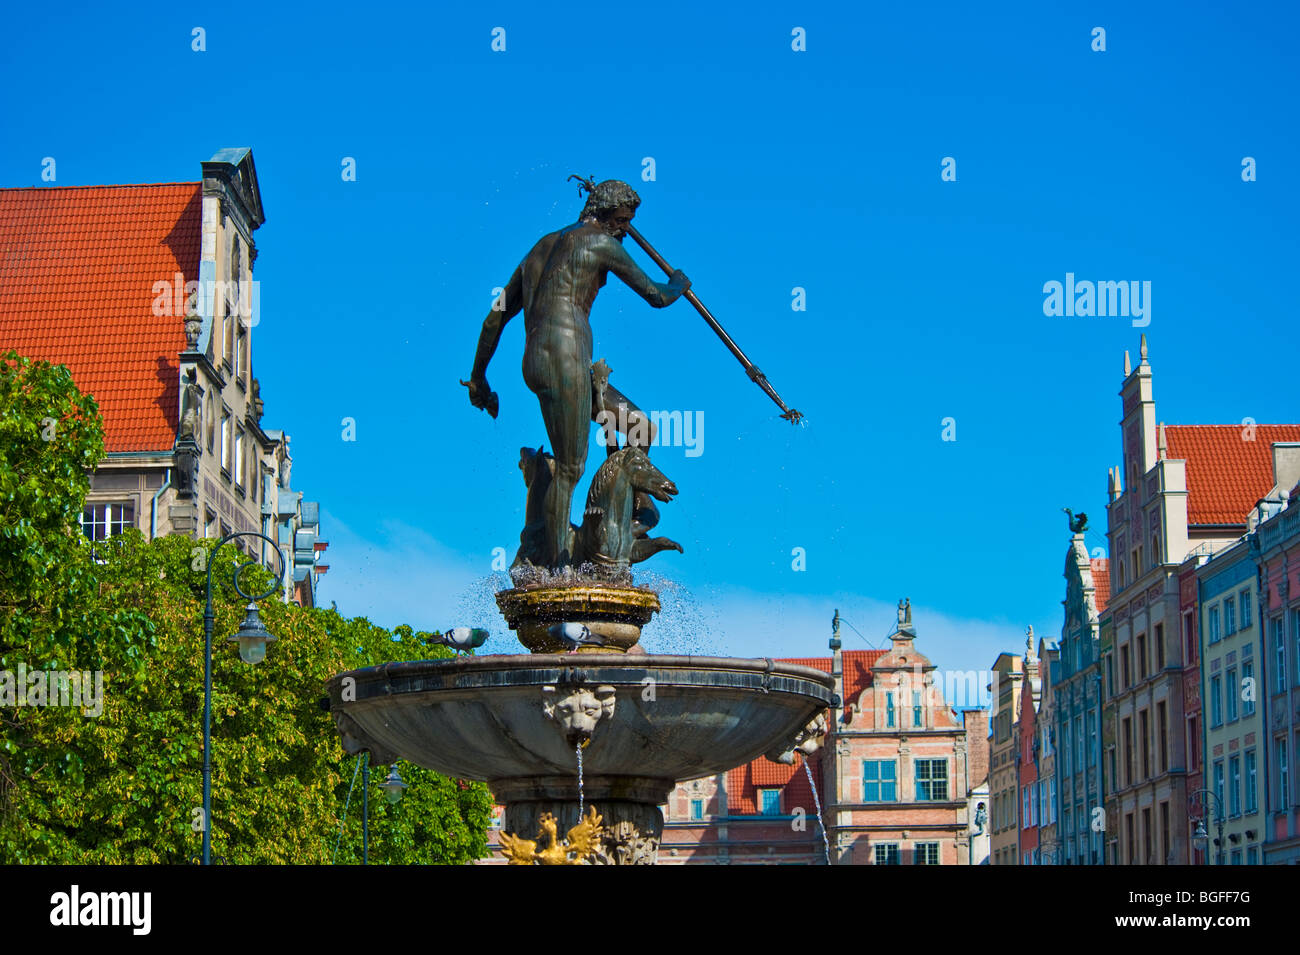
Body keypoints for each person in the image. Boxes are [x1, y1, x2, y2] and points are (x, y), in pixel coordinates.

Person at [464, 180, 689, 568]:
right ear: (602, 214)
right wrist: (679, 284)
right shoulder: (601, 243)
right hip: (563, 358)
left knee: (639, 427)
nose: (624, 230)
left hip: (548, 359)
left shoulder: (539, 249)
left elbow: (494, 318)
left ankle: (616, 516)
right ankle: (559, 567)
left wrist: (479, 376)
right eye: (622, 221)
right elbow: (656, 295)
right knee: (570, 467)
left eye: (629, 222)